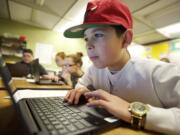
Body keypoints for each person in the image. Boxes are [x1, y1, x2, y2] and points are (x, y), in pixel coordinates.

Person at [63, 0, 180, 134]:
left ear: (125, 39)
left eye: (98, 35)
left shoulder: (160, 73)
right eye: (86, 38)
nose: (88, 45)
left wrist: (133, 112)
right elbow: (81, 85)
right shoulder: (93, 70)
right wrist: (81, 90)